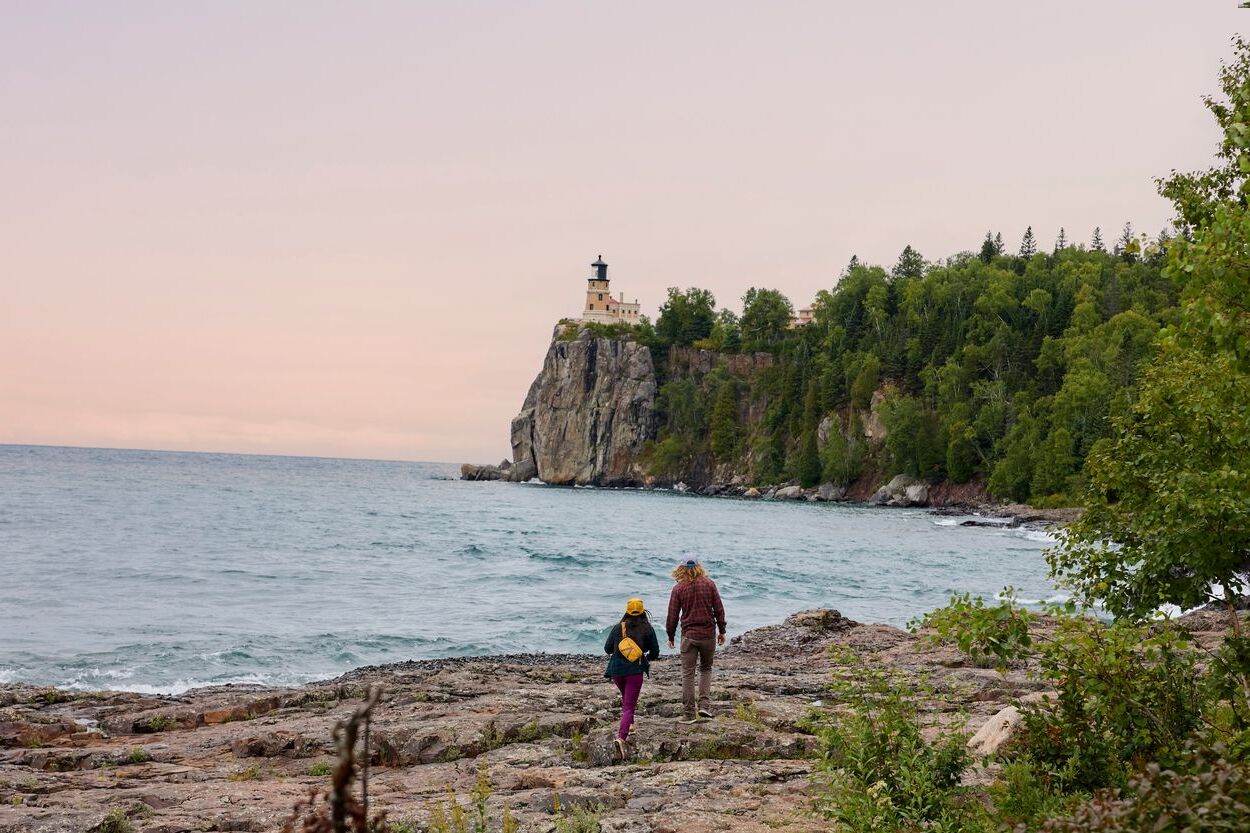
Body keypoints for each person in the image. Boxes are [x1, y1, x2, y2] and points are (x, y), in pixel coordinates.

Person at [665, 558, 726, 723]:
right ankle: (704, 706)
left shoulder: (678, 588)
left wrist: (670, 636)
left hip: (689, 637)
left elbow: (672, 616)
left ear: (681, 569)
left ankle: (689, 715)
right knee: (706, 669)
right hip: (708, 635)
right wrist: (722, 631)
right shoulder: (710, 584)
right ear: (699, 568)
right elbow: (719, 609)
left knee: (688, 674)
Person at [603, 597, 660, 761]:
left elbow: (607, 649)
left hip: (616, 672)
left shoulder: (618, 628)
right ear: (642, 611)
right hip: (634, 671)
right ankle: (621, 738)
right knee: (629, 706)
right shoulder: (647, 629)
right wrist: (645, 653)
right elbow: (655, 652)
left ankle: (631, 724)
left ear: (627, 611)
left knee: (627, 699)